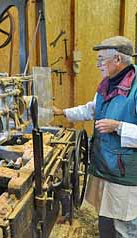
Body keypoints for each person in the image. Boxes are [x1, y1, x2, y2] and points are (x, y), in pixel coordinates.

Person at [54, 36, 137, 238]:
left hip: (125, 173)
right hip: (105, 165)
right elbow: (93, 109)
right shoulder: (108, 83)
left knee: (125, 225)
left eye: (101, 59)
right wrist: (63, 112)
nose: (98, 64)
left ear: (117, 60)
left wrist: (119, 127)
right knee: (105, 217)